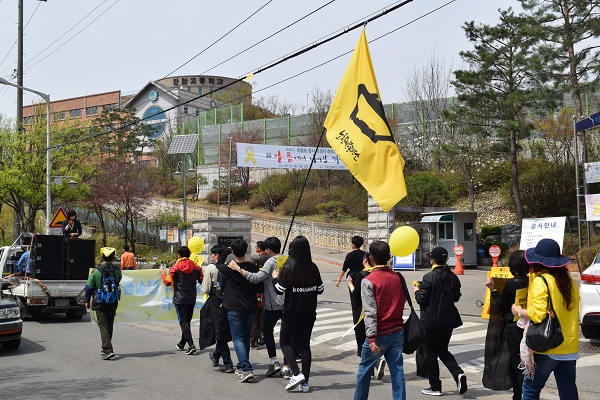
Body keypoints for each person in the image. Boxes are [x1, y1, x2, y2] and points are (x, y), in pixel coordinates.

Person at [511, 238, 580, 400]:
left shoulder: (541, 281)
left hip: (548, 346)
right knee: (568, 390)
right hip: (569, 346)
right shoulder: (570, 282)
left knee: (530, 389)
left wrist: (519, 310)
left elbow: (538, 314)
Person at [354, 240, 406, 400]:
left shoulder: (368, 280)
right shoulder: (397, 276)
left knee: (364, 370)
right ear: (389, 256)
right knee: (397, 370)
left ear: (371, 258)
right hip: (397, 330)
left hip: (379, 333)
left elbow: (370, 312)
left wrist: (370, 338)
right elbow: (402, 301)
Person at [271, 235, 324, 393]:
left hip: (291, 312)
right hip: (308, 312)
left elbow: (279, 290)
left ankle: (296, 373)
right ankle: (305, 383)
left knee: (285, 343)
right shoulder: (312, 267)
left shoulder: (289, 267)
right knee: (304, 346)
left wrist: (275, 278)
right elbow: (320, 289)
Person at [229, 236, 287, 378]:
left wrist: (238, 269)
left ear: (268, 249)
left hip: (273, 304)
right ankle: (287, 366)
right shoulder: (286, 260)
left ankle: (274, 362)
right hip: (288, 303)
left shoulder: (270, 262)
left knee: (267, 331)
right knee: (287, 336)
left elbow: (255, 279)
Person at [413, 247, 467, 396]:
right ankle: (458, 374)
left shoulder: (429, 277)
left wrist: (416, 290)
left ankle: (435, 386)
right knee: (442, 349)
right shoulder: (452, 277)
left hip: (431, 321)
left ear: (432, 260)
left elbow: (421, 300)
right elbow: (455, 297)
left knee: (431, 353)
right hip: (448, 320)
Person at [486, 250, 529, 400]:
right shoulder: (533, 282)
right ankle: (517, 396)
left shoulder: (511, 284)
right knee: (522, 364)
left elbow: (502, 306)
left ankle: (524, 396)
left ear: (513, 267)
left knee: (518, 366)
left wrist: (493, 289)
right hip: (529, 327)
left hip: (514, 328)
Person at [217, 238, 262, 383]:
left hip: (234, 307)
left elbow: (218, 264)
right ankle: (243, 366)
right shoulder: (253, 268)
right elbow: (260, 288)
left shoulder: (230, 268)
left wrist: (226, 251)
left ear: (233, 252)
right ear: (246, 250)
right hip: (250, 307)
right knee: (245, 337)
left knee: (237, 338)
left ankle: (247, 368)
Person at [346, 251, 386, 379]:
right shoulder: (376, 274)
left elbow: (356, 294)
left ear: (365, 261)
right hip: (376, 310)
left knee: (362, 338)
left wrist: (350, 284)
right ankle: (374, 366)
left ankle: (374, 364)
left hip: (362, 312)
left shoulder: (361, 275)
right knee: (371, 337)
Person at [161, 246, 203, 355]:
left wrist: (162, 274)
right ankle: (181, 343)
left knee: (183, 322)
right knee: (187, 321)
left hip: (180, 299)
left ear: (179, 255)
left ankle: (191, 345)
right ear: (189, 255)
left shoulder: (175, 268)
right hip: (191, 297)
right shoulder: (197, 268)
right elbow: (202, 280)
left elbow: (167, 283)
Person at [199, 245, 234, 373]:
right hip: (230, 300)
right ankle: (215, 355)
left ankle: (227, 362)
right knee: (223, 330)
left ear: (217, 255)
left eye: (212, 254)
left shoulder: (211, 268)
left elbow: (206, 288)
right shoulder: (231, 265)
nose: (211, 256)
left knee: (219, 331)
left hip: (216, 301)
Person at [84, 247, 122, 360]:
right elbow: (118, 280)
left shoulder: (96, 271)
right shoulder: (117, 270)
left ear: (102, 258)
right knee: (109, 324)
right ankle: (106, 347)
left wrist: (87, 300)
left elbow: (89, 287)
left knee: (103, 325)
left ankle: (107, 349)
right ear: (113, 258)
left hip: (99, 301)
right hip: (113, 301)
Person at [336, 236, 367, 357]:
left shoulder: (349, 256)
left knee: (356, 305)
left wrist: (338, 280)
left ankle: (358, 321)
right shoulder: (365, 254)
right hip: (365, 278)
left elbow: (344, 269)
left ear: (353, 244)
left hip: (353, 280)